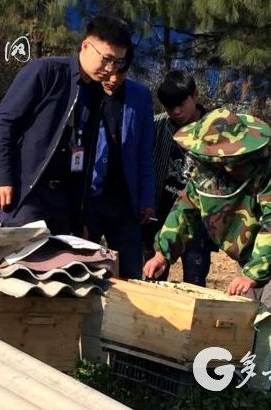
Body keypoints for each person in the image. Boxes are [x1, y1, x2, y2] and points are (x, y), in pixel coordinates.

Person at [143, 108, 271, 364]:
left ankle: (266, 382)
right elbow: (186, 208)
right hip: (246, 249)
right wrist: (163, 252)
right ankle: (239, 375)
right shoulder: (205, 169)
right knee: (243, 318)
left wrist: (252, 274)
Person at [0, 16, 132, 234]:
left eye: (118, 62)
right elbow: (4, 123)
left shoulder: (96, 94)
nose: (110, 68)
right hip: (25, 186)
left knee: (61, 252)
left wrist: (80, 215)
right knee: (29, 247)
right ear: (86, 46)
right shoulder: (46, 71)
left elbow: (85, 155)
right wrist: (1, 177)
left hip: (61, 196)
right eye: (106, 59)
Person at [82, 50, 155, 279]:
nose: (113, 79)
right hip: (88, 197)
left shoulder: (140, 96)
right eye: (111, 73)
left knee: (131, 271)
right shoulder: (85, 90)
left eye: (121, 74)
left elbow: (146, 152)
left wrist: (147, 199)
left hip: (125, 199)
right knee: (82, 268)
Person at [142, 70, 214, 286]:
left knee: (194, 281)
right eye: (169, 107)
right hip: (158, 215)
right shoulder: (156, 125)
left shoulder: (215, 130)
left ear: (195, 95)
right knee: (152, 278)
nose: (176, 111)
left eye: (181, 104)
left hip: (197, 219)